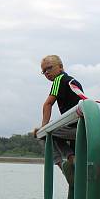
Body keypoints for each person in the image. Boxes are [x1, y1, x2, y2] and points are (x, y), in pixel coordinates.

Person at [34, 55, 83, 185]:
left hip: (75, 129)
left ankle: (63, 166)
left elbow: (48, 104)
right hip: (82, 128)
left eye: (49, 68)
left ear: (60, 67)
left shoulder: (59, 80)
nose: (47, 73)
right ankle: (72, 159)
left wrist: (43, 128)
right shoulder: (73, 81)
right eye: (43, 71)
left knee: (43, 136)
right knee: (54, 135)